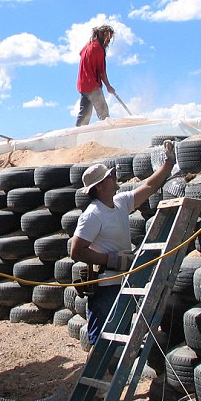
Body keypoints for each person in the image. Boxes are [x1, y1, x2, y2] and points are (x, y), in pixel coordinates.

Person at [70, 140, 177, 345]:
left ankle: (111, 377)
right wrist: (111, 260)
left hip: (123, 283)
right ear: (100, 186)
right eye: (109, 176)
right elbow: (77, 251)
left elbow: (148, 186)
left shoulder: (119, 203)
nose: (114, 177)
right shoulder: (93, 215)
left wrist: (168, 164)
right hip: (105, 287)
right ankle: (96, 376)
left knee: (119, 338)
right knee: (101, 342)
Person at [75, 25, 116, 126]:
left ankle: (76, 135)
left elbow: (80, 53)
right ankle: (108, 134)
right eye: (108, 39)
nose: (108, 42)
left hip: (82, 84)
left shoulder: (88, 45)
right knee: (104, 113)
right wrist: (108, 86)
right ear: (102, 34)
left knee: (84, 113)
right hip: (92, 84)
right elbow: (102, 72)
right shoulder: (98, 49)